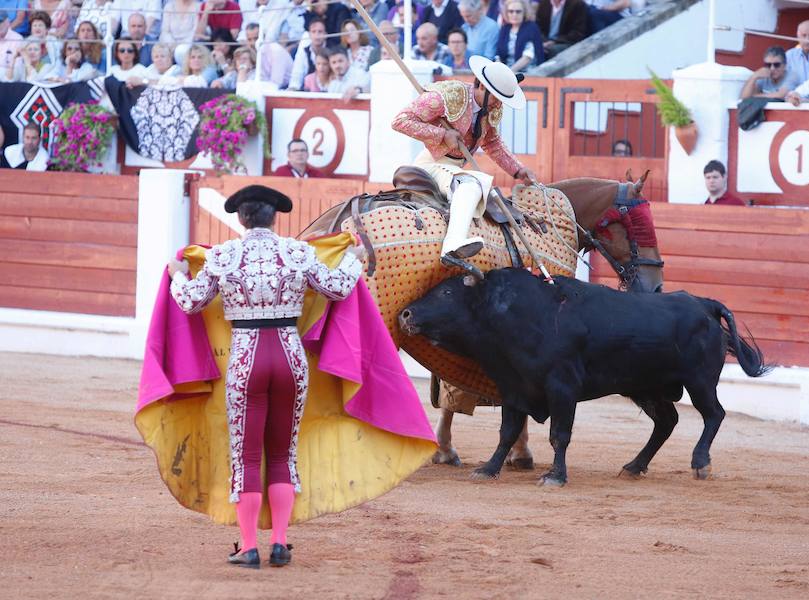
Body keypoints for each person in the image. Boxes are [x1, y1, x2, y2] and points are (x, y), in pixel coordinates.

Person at [167, 185, 364, 568]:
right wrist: (353, 259)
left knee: (246, 455)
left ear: (240, 219)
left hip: (246, 358)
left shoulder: (224, 255)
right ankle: (279, 542)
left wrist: (177, 274)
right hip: (290, 356)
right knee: (282, 453)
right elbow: (338, 289)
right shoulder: (297, 251)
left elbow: (190, 301)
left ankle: (247, 546)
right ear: (275, 217)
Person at [391, 56, 537, 266]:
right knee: (471, 183)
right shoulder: (447, 95)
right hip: (431, 164)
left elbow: (492, 143)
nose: (498, 104)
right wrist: (442, 135)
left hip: (453, 169)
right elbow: (400, 121)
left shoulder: (491, 108)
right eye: (495, 97)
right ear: (481, 86)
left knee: (478, 186)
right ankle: (453, 244)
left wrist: (518, 170)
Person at [496, 0, 544, 71]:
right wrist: (500, 69)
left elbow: (527, 57)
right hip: (506, 71)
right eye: (511, 11)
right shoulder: (505, 28)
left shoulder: (531, 27)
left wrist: (509, 72)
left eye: (518, 11)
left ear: (524, 12)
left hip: (527, 72)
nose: (514, 14)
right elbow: (498, 54)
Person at [246, 21, 293, 88]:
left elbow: (276, 83)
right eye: (249, 39)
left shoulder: (276, 51)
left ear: (264, 37)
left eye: (256, 38)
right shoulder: (252, 51)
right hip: (266, 86)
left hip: (285, 88)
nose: (253, 43)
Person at [288, 15, 326, 89]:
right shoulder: (304, 51)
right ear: (309, 34)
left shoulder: (331, 50)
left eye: (320, 32)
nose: (317, 35)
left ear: (325, 34)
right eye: (314, 32)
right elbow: (297, 74)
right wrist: (293, 89)